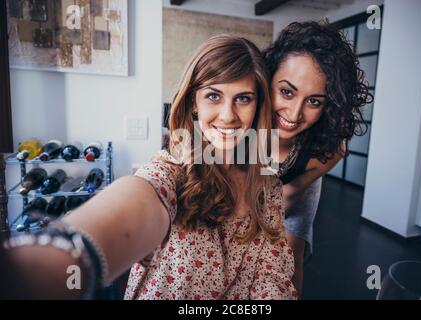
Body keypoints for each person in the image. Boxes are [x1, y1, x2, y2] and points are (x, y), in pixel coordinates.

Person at [1, 34, 297, 300]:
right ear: (194, 101)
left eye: (243, 99)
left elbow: (271, 277)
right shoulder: (172, 172)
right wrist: (61, 257)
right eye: (213, 96)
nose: (228, 115)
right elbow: (138, 200)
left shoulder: (266, 185)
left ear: (258, 105)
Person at [263, 21, 372, 295]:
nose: (295, 113)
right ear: (266, 79)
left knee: (287, 262)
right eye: (286, 91)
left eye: (314, 101)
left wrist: (298, 185)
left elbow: (287, 201)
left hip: (295, 183)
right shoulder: (240, 127)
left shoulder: (322, 148)